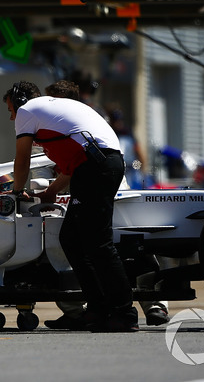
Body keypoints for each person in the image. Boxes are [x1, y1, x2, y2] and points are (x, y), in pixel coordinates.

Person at [3, 80, 138, 332]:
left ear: (19, 102)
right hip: (99, 164)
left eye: (10, 110)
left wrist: (15, 191)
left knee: (98, 242)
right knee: (72, 239)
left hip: (97, 167)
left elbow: (21, 160)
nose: (12, 117)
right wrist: (51, 192)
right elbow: (76, 163)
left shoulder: (27, 111)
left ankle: (124, 313)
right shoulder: (53, 110)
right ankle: (98, 310)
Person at [41, 81, 169, 328]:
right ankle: (82, 310)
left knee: (132, 249)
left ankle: (152, 305)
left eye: (51, 100)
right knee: (76, 243)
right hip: (96, 185)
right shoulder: (70, 123)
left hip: (111, 187)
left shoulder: (76, 123)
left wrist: (51, 190)